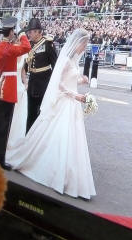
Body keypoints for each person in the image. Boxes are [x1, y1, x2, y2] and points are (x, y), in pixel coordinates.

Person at [6, 28, 96, 200]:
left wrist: (81, 80)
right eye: (84, 44)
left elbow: (70, 80)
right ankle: (56, 173)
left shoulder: (74, 61)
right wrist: (75, 95)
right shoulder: (67, 60)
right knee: (61, 138)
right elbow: (59, 85)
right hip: (66, 102)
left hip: (72, 104)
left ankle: (70, 177)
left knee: (72, 140)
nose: (85, 47)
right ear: (78, 43)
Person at [0, 17, 31, 170]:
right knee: (4, 127)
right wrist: (22, 33)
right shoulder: (11, 49)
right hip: (10, 88)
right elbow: (27, 47)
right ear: (12, 31)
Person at [22, 18, 58, 133]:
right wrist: (24, 80)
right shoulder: (30, 45)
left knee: (42, 115)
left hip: (44, 84)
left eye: (31, 31)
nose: (29, 34)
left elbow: (55, 65)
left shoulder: (48, 43)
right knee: (30, 114)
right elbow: (26, 66)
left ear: (38, 32)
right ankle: (28, 139)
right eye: (29, 32)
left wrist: (53, 85)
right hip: (32, 83)